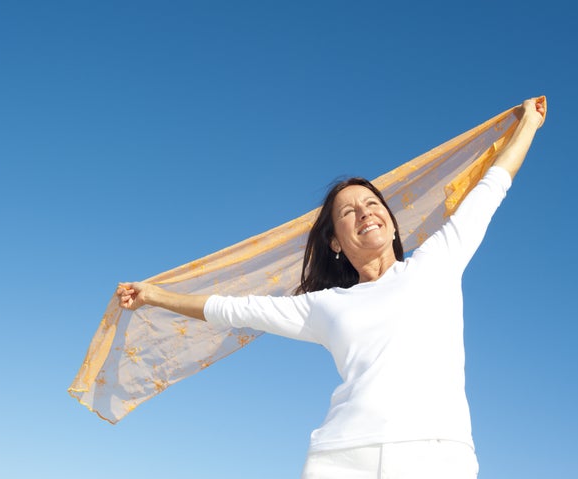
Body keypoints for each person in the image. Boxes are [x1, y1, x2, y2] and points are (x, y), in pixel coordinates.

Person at [117, 98, 546, 478]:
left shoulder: (438, 260)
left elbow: (493, 185)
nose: (365, 213)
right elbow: (233, 309)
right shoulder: (323, 306)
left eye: (373, 204)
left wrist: (528, 123)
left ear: (393, 223)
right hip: (340, 457)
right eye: (348, 212)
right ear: (336, 242)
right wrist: (153, 295)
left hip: (435, 454)